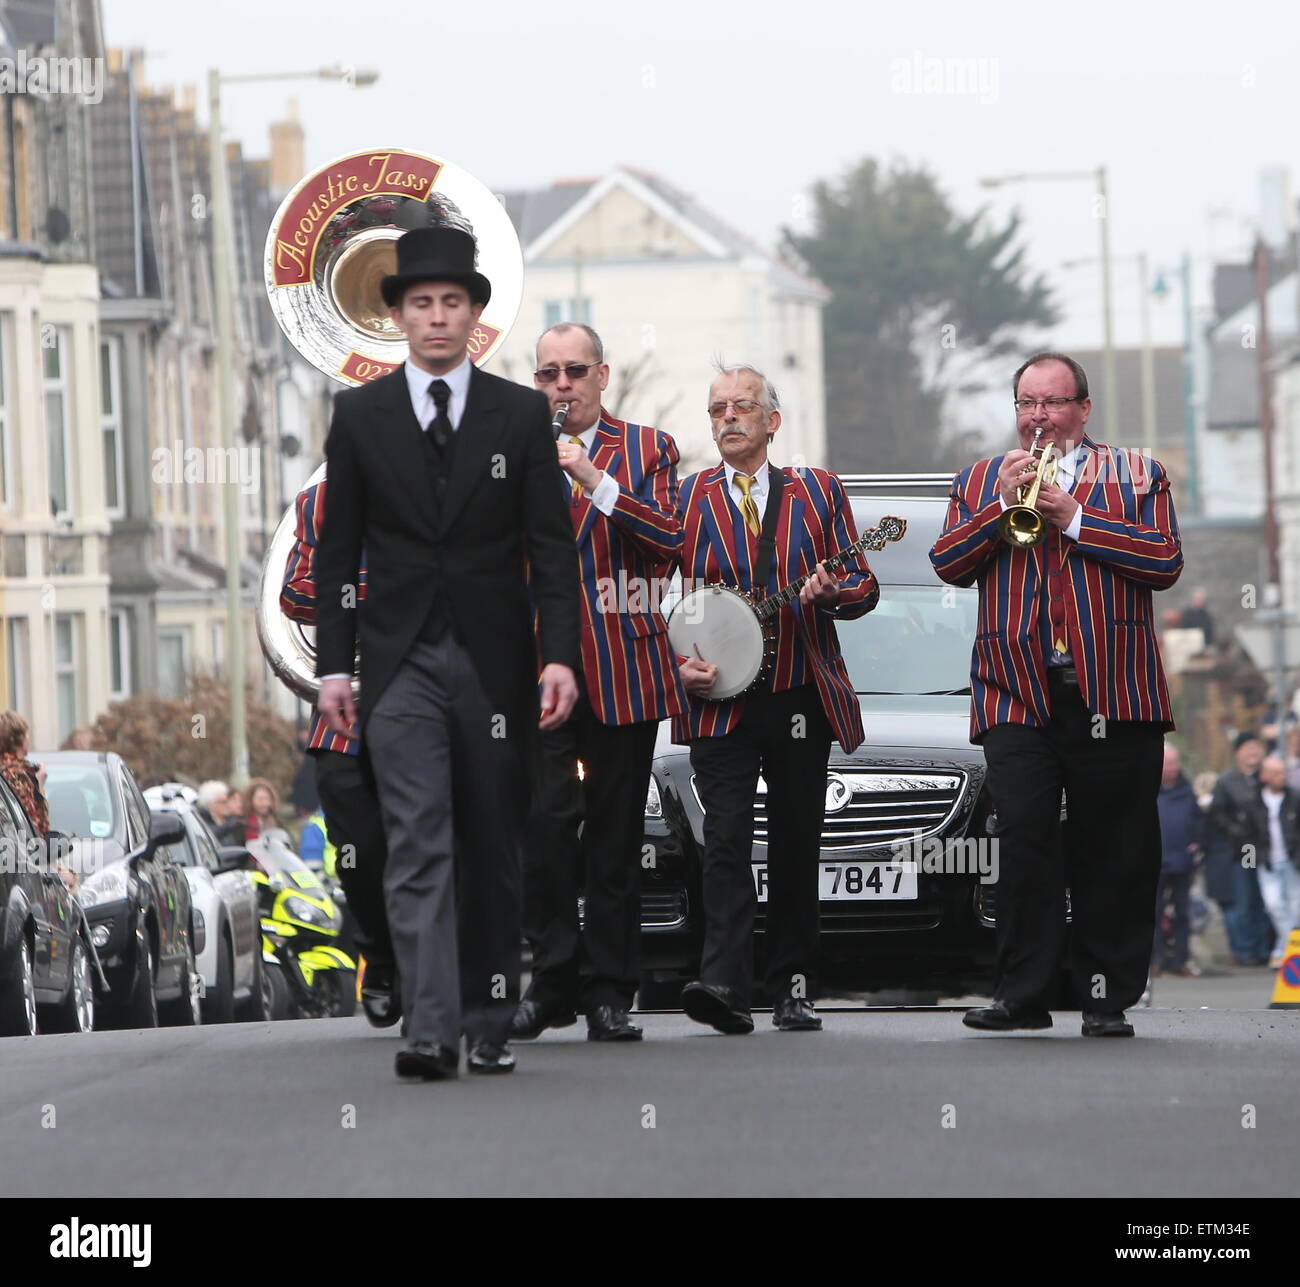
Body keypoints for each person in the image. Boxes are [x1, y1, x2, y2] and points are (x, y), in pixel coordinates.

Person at [315, 222, 580, 1082]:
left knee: (492, 841)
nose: (436, 317)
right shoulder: (359, 415)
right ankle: (429, 1030)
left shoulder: (520, 413)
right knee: (417, 839)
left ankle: (488, 1016)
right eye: (421, 303)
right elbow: (336, 551)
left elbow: (552, 546)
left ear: (475, 315)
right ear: (398, 316)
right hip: (398, 667)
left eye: (451, 303)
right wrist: (333, 667)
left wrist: (559, 656)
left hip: (497, 663)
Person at [931, 351, 1182, 1038]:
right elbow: (948, 563)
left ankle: (1106, 996)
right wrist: (996, 509)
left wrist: (1074, 517)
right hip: (1016, 690)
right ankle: (1023, 992)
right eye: (1026, 404)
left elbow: (1164, 562)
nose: (1038, 417)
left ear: (1083, 409)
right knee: (1025, 841)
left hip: (1112, 688)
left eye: (1052, 403)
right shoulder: (981, 478)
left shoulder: (1138, 474)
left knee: (1116, 846)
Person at [672, 363, 880, 1035]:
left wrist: (834, 592)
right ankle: (725, 985)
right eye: (716, 409)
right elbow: (652, 601)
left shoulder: (818, 492)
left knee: (796, 843)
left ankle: (793, 988)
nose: (726, 417)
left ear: (772, 421)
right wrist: (679, 665)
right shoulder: (686, 498)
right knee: (725, 843)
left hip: (798, 695)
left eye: (740, 406)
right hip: (718, 702)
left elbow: (864, 583)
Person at [513, 323, 688, 1044]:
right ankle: (552, 978)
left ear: (602, 375)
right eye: (548, 372)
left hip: (623, 662)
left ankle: (612, 990)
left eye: (575, 371)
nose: (562, 385)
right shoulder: (512, 448)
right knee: (546, 828)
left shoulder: (649, 450)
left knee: (616, 840)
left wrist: (593, 478)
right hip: (533, 669)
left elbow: (670, 539)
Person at [281, 476, 399, 1029]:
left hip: (425, 699)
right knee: (356, 844)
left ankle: (429, 967)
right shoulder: (320, 501)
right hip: (345, 711)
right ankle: (379, 953)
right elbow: (294, 592)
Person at [1209, 732, 1275, 967]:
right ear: (1238, 752)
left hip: (1268, 848)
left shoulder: (1268, 777)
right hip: (1243, 849)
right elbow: (1217, 814)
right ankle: (1247, 950)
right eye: (1247, 748)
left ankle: (1264, 948)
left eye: (1256, 747)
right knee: (1245, 899)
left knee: (1267, 900)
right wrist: (1236, 831)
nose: (1252, 752)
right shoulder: (1227, 782)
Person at [1153, 744, 1206, 976]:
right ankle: (1156, 960)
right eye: (1169, 764)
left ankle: (1181, 960)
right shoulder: (1149, 790)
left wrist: (1196, 843)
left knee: (1183, 913)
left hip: (1183, 862)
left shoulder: (1187, 792)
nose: (1174, 768)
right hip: (1155, 862)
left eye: (1176, 763)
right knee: (1153, 913)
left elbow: (1201, 823)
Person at [1249, 756, 1300, 968]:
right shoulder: (1254, 801)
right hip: (1267, 862)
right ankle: (1286, 949)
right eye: (1277, 773)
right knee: (1274, 906)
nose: (1283, 777)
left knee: (1295, 908)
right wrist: (1249, 863)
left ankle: (1281, 952)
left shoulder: (1295, 799)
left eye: (1284, 772)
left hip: (1292, 862)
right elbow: (1247, 836)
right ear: (1265, 775)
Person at [0, 710, 50, 836]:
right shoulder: (17, 775)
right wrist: (38, 785)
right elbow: (32, 824)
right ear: (19, 739)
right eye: (27, 734)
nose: (29, 738)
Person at [196, 780, 248, 848]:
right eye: (223, 802)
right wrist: (229, 825)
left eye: (227, 801)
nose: (227, 805)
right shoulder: (201, 821)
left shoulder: (230, 821)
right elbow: (210, 837)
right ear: (211, 804)